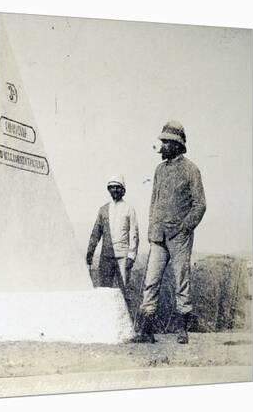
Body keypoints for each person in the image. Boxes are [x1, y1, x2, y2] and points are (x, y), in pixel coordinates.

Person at [133, 121, 206, 344]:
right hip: (158, 237)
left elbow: (200, 204)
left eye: (166, 142)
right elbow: (153, 202)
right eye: (162, 141)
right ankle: (146, 331)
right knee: (150, 281)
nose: (161, 146)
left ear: (177, 145)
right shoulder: (159, 170)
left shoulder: (191, 169)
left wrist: (185, 228)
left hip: (179, 237)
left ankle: (182, 331)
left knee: (182, 281)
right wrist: (151, 229)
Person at [86, 175, 139, 313]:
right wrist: (90, 252)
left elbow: (134, 233)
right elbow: (96, 233)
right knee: (104, 291)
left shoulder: (129, 209)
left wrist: (131, 256)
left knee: (124, 292)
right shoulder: (103, 209)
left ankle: (128, 325)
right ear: (108, 189)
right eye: (112, 187)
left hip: (123, 257)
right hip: (106, 257)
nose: (115, 190)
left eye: (117, 187)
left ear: (123, 190)